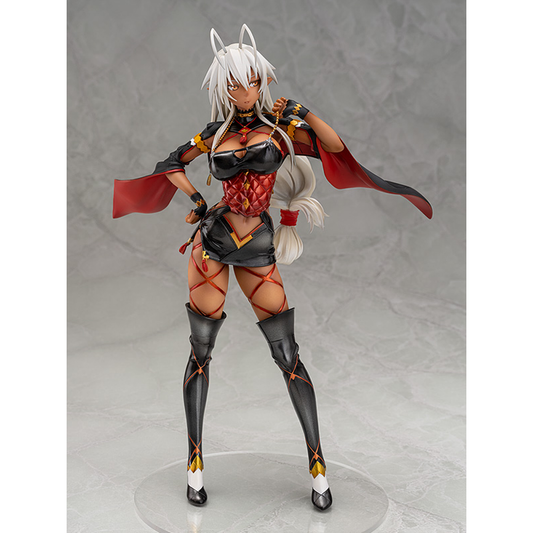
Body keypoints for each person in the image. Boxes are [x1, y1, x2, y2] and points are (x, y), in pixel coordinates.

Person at [113, 24, 432, 511]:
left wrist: (303, 110)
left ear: (262, 81)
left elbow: (334, 146)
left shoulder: (281, 131)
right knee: (200, 351)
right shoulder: (213, 135)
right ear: (223, 89)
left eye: (251, 82)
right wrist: (197, 199)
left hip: (258, 245)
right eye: (233, 85)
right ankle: (194, 464)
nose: (243, 92)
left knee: (287, 354)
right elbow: (172, 162)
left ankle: (318, 468)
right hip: (213, 243)